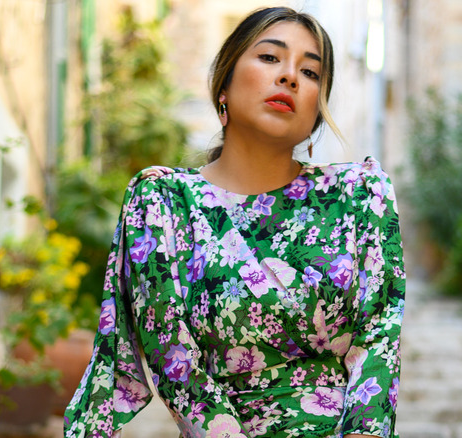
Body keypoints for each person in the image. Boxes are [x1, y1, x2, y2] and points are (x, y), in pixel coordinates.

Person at [64, 7, 405, 438]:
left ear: (316, 112)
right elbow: (176, 362)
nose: (290, 77)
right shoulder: (163, 204)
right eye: (269, 58)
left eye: (311, 72)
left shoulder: (360, 195)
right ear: (223, 84)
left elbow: (379, 336)